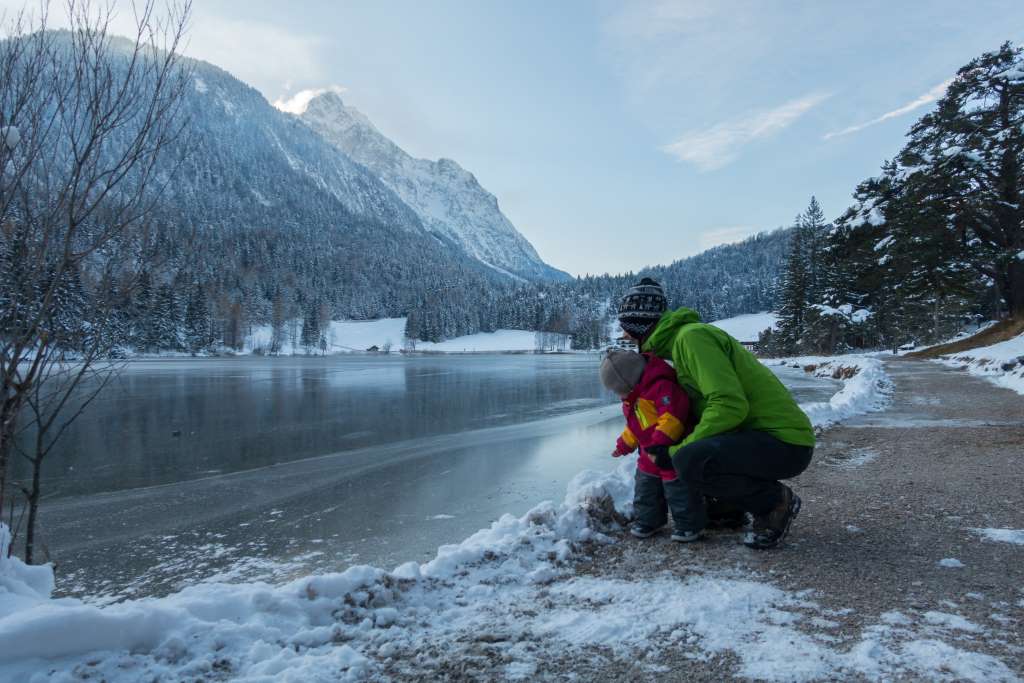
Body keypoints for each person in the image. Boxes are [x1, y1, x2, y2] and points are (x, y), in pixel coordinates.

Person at [617, 278, 815, 550]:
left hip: (784, 442)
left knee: (687, 458)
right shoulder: (678, 345)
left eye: (626, 328)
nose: (625, 336)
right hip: (759, 438)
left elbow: (729, 404)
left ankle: (774, 503)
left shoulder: (692, 339)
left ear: (639, 325)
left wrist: (677, 451)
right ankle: (728, 508)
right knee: (687, 445)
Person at [600, 349, 704, 542]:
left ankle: (689, 525)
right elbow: (636, 427)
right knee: (646, 487)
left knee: (678, 489)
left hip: (671, 450)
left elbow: (673, 417)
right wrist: (624, 444)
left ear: (629, 381)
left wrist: (659, 442)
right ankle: (649, 520)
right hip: (649, 453)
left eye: (618, 389)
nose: (618, 395)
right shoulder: (632, 399)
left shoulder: (661, 387)